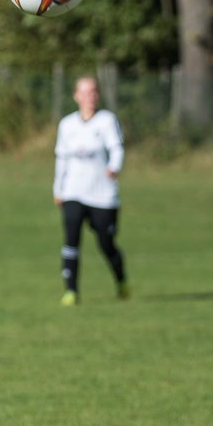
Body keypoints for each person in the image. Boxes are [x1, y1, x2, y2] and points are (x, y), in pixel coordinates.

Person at [53, 75, 128, 306]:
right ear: (76, 96)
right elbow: (61, 159)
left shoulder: (106, 120)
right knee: (71, 240)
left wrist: (114, 167)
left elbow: (117, 148)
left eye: (93, 92)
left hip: (102, 195)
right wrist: (58, 188)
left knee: (106, 243)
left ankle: (121, 280)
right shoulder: (67, 124)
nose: (90, 97)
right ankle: (71, 291)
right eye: (84, 92)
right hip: (74, 192)